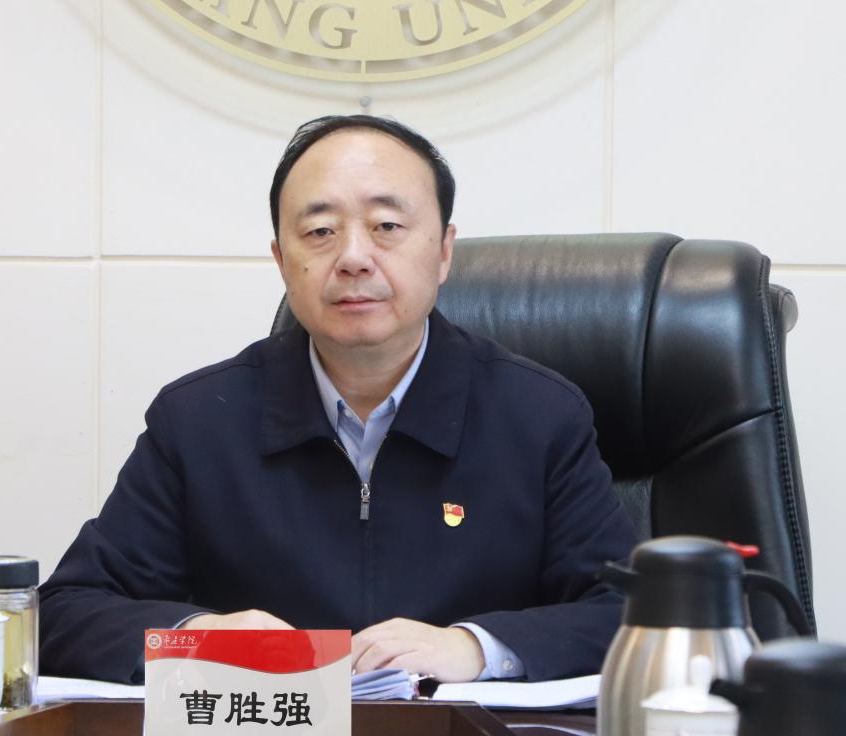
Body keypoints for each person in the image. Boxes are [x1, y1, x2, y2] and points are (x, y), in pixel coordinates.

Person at [39, 115, 639, 686]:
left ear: (443, 251)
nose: (353, 258)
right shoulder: (199, 420)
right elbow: (65, 612)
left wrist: (476, 648)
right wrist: (201, 638)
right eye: (320, 231)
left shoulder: (539, 416)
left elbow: (629, 612)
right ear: (282, 261)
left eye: (387, 226)